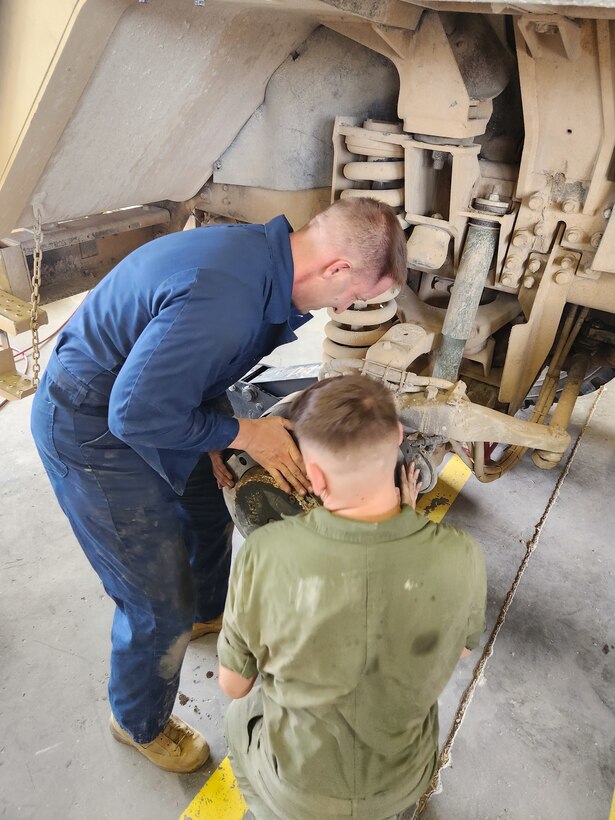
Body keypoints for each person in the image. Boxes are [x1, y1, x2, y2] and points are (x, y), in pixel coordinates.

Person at [30, 198, 407, 773]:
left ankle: (208, 612)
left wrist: (215, 436)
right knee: (156, 602)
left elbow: (188, 369)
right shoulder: (227, 299)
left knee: (210, 506)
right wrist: (246, 433)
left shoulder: (259, 260)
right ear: (336, 269)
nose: (349, 306)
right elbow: (132, 415)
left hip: (148, 402)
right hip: (92, 430)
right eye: (355, 294)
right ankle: (139, 722)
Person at [218, 374, 487, 820]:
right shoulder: (463, 556)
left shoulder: (265, 555)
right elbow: (458, 649)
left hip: (300, 793)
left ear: (314, 474)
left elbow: (234, 686)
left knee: (238, 715)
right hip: (403, 781)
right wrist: (408, 518)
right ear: (399, 438)